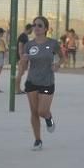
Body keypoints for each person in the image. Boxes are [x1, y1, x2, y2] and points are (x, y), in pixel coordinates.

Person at [17, 16, 62, 150]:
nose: (36, 27)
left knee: (42, 111)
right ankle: (38, 140)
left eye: (40, 25)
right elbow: (23, 65)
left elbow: (62, 56)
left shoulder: (53, 43)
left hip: (47, 82)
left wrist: (58, 64)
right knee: (34, 112)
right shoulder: (29, 45)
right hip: (32, 81)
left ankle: (49, 118)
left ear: (46, 29)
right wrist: (23, 61)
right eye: (34, 25)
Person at [15, 23, 33, 94]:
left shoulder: (25, 36)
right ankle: (17, 89)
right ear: (28, 29)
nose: (32, 31)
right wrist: (21, 59)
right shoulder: (23, 36)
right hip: (22, 58)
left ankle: (18, 88)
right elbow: (20, 48)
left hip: (24, 57)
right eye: (31, 29)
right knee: (20, 73)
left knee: (21, 73)